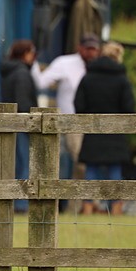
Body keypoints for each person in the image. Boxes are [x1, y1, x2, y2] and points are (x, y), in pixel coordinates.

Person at [74, 41, 135, 215]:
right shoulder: (122, 79)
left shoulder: (88, 77)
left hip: (93, 131)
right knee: (114, 169)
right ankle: (115, 209)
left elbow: (79, 105)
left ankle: (87, 207)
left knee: (91, 169)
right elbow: (129, 107)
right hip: (116, 132)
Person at [36, 33, 101, 179]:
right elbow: (41, 82)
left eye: (94, 49)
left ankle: (83, 193)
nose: (91, 53)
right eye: (88, 49)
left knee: (87, 164)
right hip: (71, 121)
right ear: (79, 48)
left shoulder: (99, 66)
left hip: (95, 122)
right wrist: (33, 63)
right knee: (78, 161)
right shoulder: (64, 63)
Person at [0, 39, 38, 212]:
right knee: (25, 164)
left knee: (13, 164)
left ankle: (10, 201)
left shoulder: (8, 72)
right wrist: (32, 121)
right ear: (24, 53)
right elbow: (23, 101)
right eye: (31, 52)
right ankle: (21, 204)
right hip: (22, 125)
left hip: (9, 124)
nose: (33, 57)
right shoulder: (22, 73)